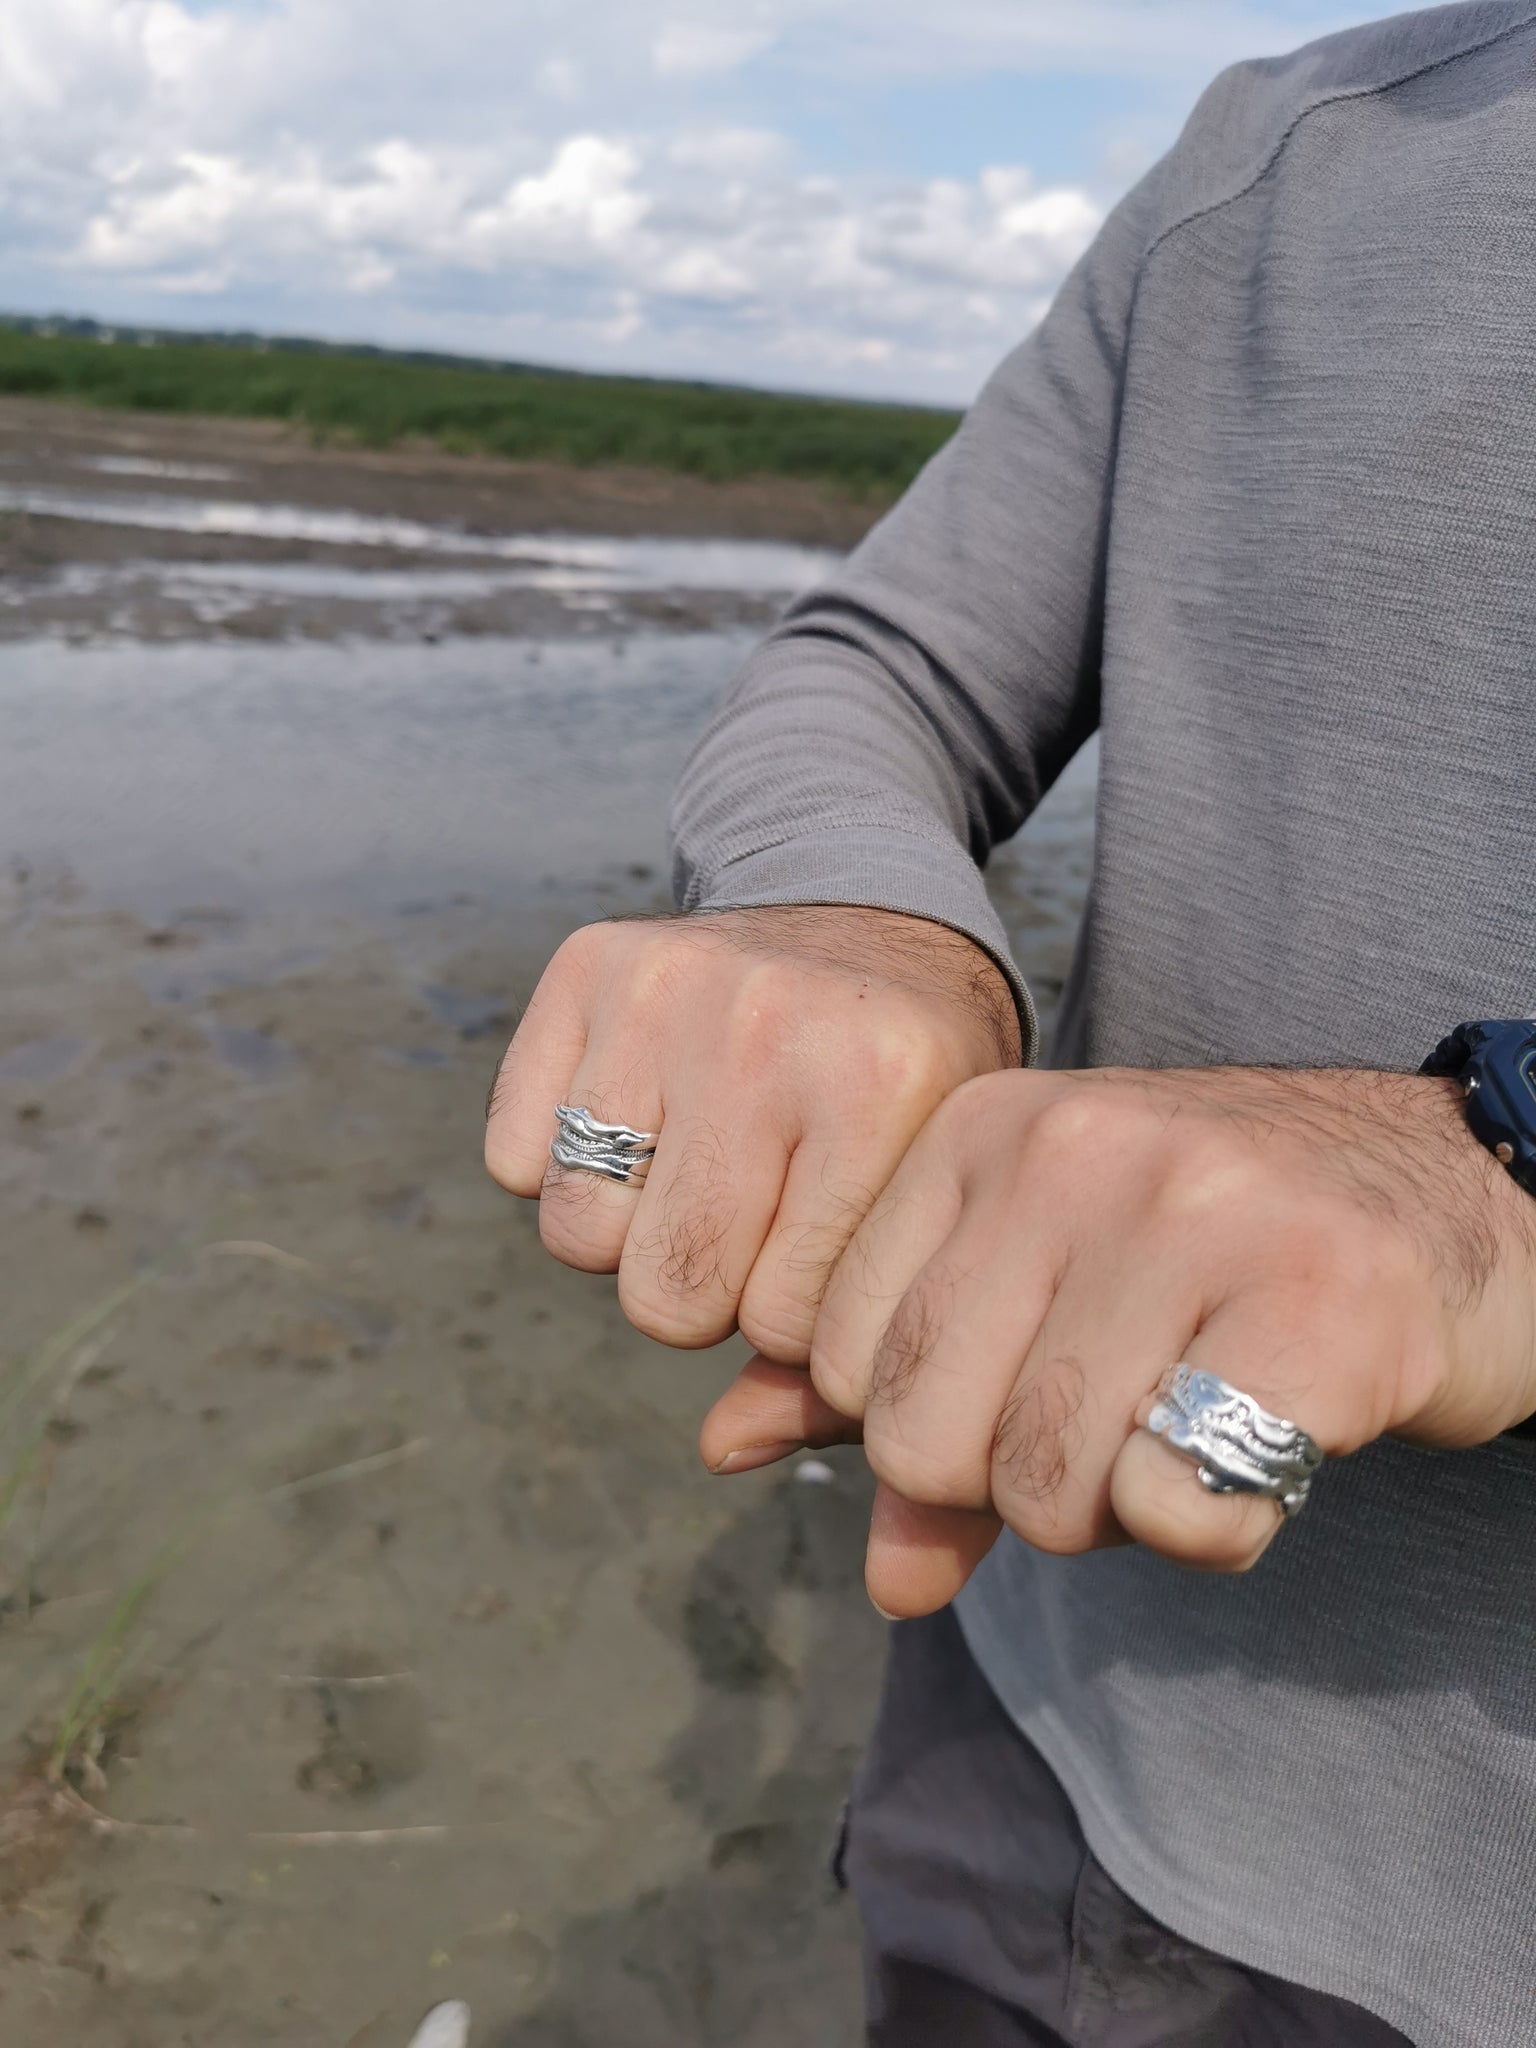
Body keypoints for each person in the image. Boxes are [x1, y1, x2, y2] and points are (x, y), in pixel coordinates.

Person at [486, 6, 1536, 2043]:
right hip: (1030, 1715)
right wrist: (866, 919)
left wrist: (1485, 1167)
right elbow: (878, 664)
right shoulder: (1289, 143)